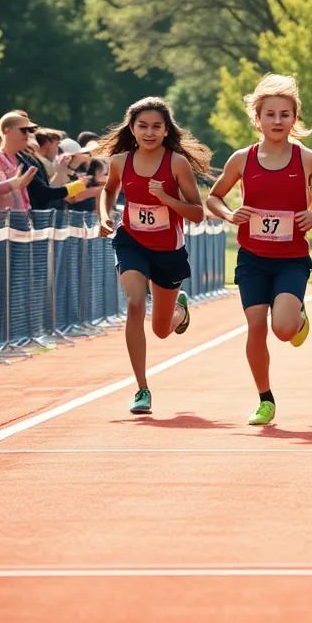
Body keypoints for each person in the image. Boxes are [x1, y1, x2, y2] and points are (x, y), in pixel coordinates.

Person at [206, 74, 312, 426]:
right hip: (252, 258)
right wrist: (228, 213)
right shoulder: (242, 159)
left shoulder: (307, 158)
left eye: (284, 115)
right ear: (258, 118)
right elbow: (214, 197)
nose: (277, 121)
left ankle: (296, 317)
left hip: (291, 259)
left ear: (294, 119)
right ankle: (265, 399)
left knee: (282, 329)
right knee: (255, 327)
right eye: (270, 114)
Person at [97, 97, 212, 416]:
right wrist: (105, 216)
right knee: (134, 303)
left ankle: (179, 311)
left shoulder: (176, 163)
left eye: (156, 127)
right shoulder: (120, 160)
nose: (149, 132)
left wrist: (166, 198)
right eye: (142, 126)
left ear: (166, 130)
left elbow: (197, 213)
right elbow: (108, 190)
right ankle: (142, 389)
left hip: (168, 250)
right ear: (131, 129)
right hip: (131, 241)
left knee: (161, 329)